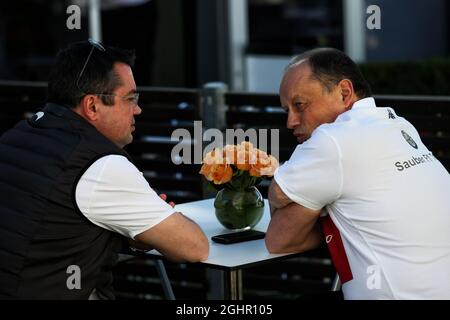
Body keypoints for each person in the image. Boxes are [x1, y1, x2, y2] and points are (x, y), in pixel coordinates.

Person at [0, 39, 209, 299]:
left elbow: (48, 229)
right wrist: (158, 215)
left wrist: (135, 229)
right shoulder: (101, 165)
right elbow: (194, 248)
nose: (138, 109)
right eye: (130, 98)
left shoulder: (16, 137)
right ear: (92, 106)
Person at [265, 48, 450, 299]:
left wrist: (297, 199)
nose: (291, 122)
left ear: (344, 92)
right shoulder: (398, 123)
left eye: (300, 105)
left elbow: (278, 237)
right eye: (286, 110)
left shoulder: (332, 140)